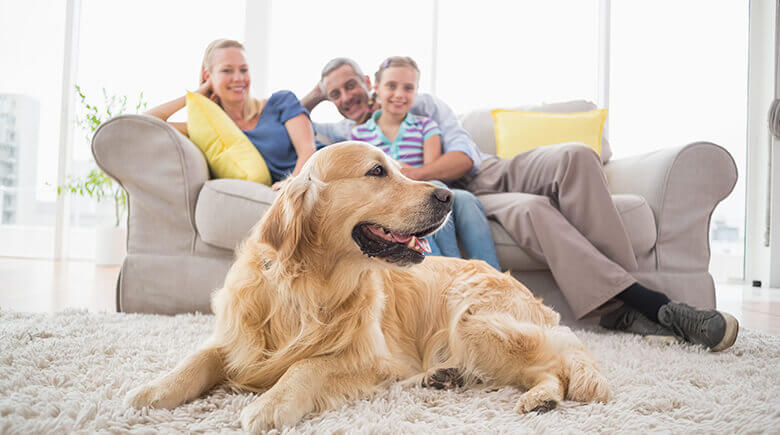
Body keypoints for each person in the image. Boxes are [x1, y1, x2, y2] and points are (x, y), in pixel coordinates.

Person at [302, 57, 739, 352]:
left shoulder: (421, 105)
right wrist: (314, 96)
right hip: (466, 199)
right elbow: (290, 122)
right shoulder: (345, 136)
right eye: (334, 94)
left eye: (350, 85)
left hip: (486, 171)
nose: (346, 97)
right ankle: (651, 305)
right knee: (533, 212)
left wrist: (413, 175)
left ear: (368, 82)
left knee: (576, 155)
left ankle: (626, 303)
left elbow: (463, 156)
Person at [349, 56, 500, 270]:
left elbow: (431, 175)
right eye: (391, 86)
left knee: (466, 199)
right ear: (377, 88)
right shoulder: (359, 135)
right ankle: (448, 271)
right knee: (434, 196)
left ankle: (492, 273)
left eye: (408, 88)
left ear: (416, 92)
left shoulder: (426, 126)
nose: (400, 94)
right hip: (392, 199)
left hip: (425, 188)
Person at [146, 39, 317, 190]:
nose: (238, 78)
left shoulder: (281, 101)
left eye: (244, 70)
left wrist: (289, 187)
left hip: (316, 176)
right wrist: (195, 94)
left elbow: (308, 151)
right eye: (227, 70)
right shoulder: (212, 131)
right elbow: (146, 123)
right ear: (208, 76)